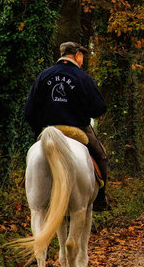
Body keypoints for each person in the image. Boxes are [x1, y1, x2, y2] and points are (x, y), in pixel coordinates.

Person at [24, 42, 110, 212]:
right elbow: (100, 108)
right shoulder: (83, 78)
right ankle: (100, 199)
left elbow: (29, 111)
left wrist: (39, 129)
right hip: (77, 130)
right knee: (101, 156)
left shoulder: (44, 75)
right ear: (77, 55)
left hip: (48, 130)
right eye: (82, 57)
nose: (82, 60)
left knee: (31, 157)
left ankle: (28, 186)